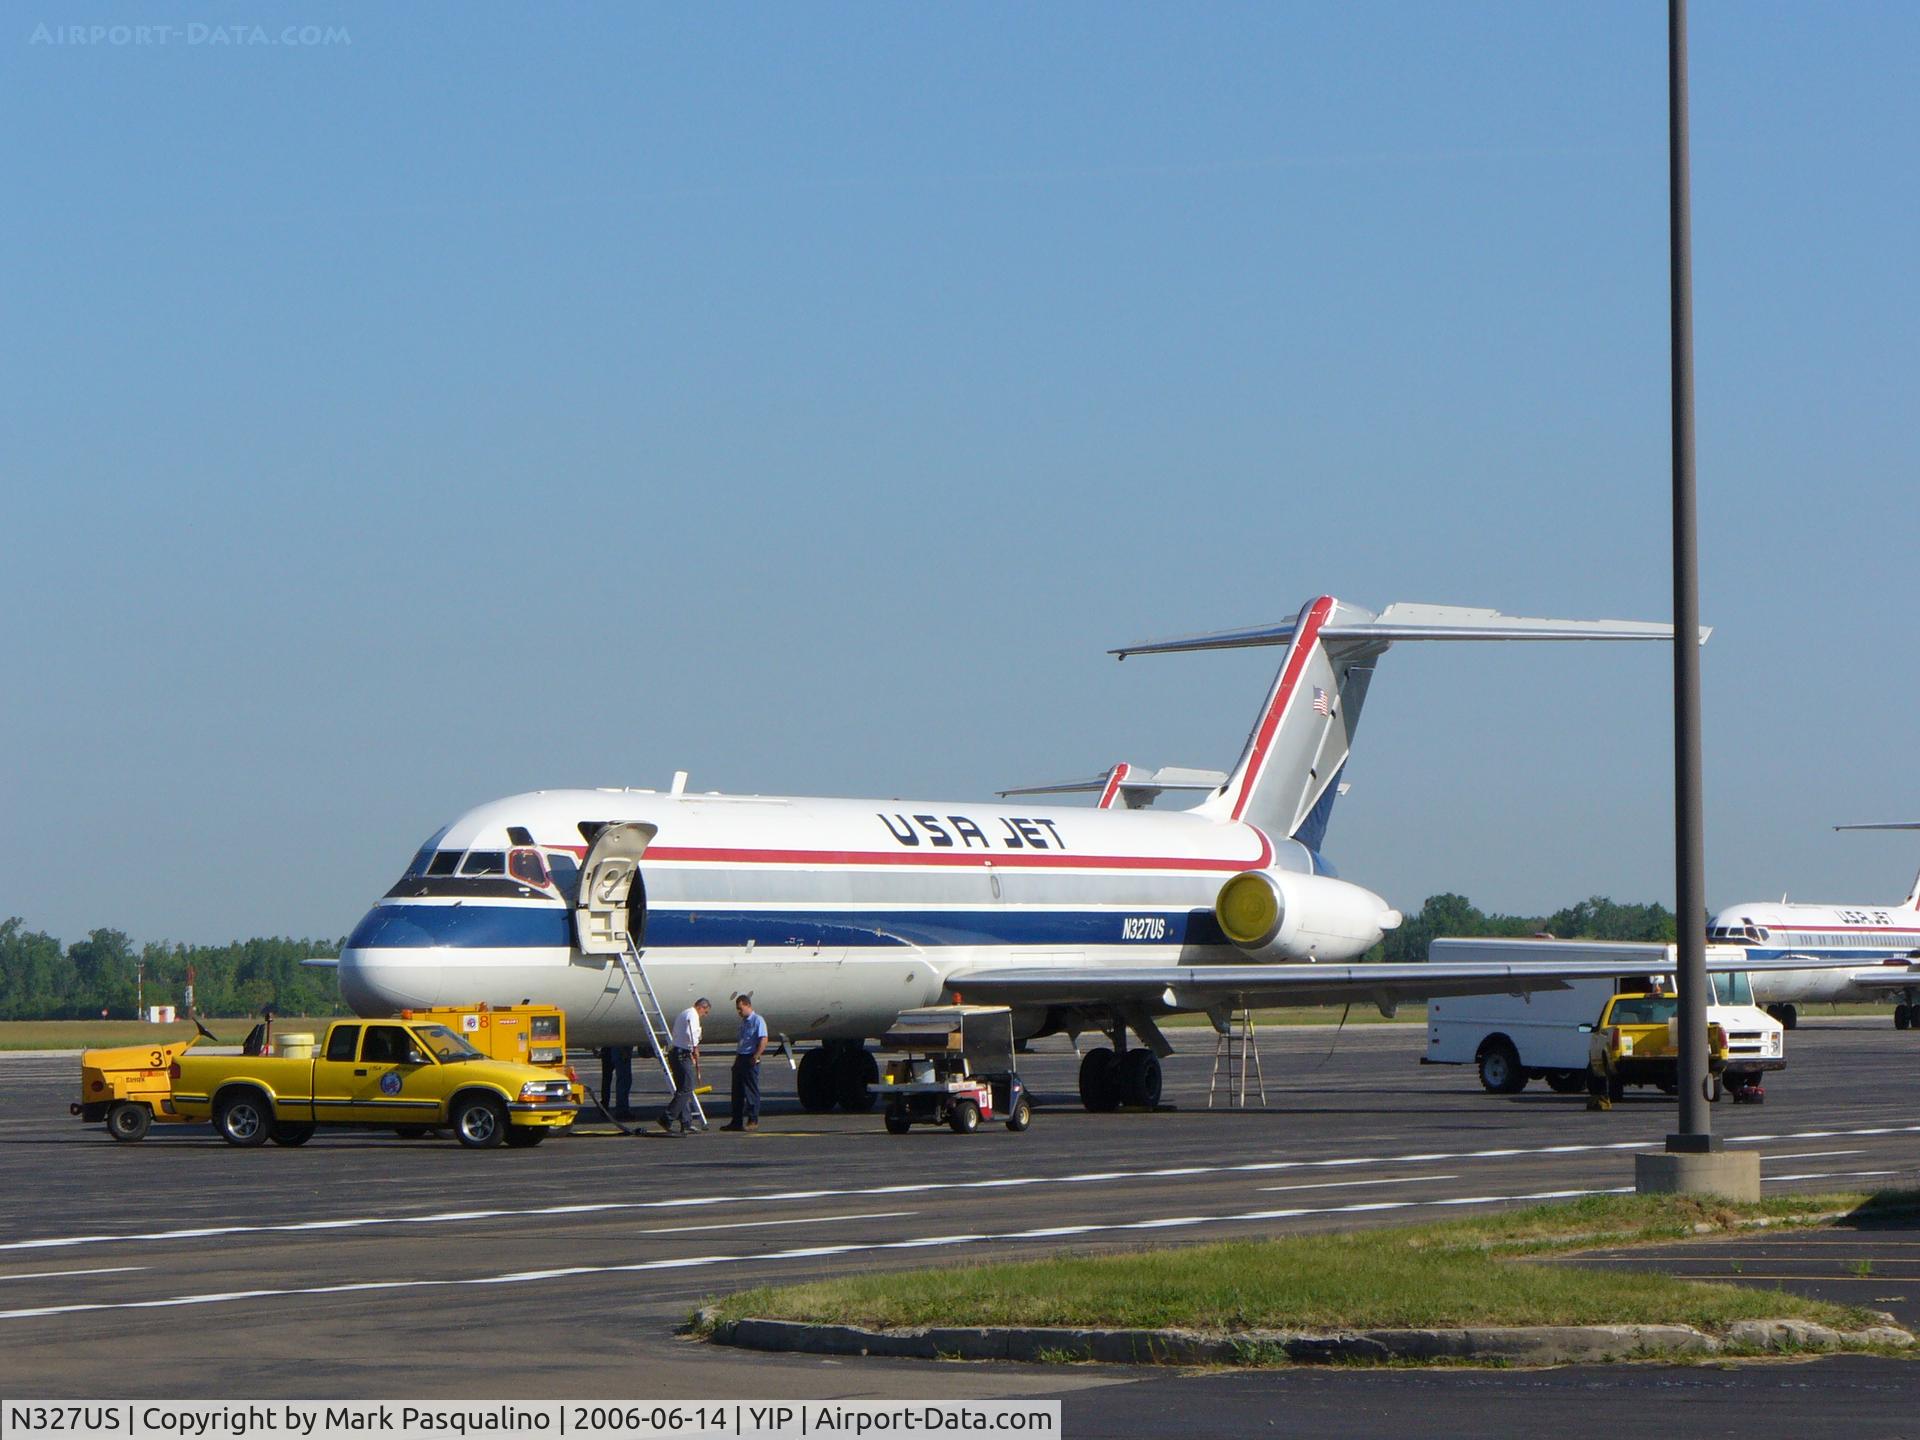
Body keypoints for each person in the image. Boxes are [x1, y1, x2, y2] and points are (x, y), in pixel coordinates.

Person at [659, 997, 710, 1134]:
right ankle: (667, 1117)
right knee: (687, 1088)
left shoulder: (685, 1013)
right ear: (702, 1007)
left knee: (682, 1089)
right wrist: (695, 1047)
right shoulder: (693, 1015)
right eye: (705, 1012)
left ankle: (686, 1121)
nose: (704, 1015)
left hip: (676, 1052)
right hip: (682, 1054)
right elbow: (691, 1033)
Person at [723, 994, 769, 1131]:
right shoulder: (744, 1022)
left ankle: (752, 1120)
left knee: (750, 1090)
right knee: (737, 1091)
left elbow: (763, 1039)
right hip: (741, 1056)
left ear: (748, 1005)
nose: (739, 1012)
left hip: (750, 1056)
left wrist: (756, 1056)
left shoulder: (757, 1020)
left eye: (740, 1009)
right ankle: (736, 1121)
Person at [599, 1044, 634, 1120]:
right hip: (619, 1048)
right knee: (624, 1079)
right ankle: (622, 1109)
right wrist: (623, 1049)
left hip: (607, 1048)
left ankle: (604, 1106)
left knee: (607, 1079)